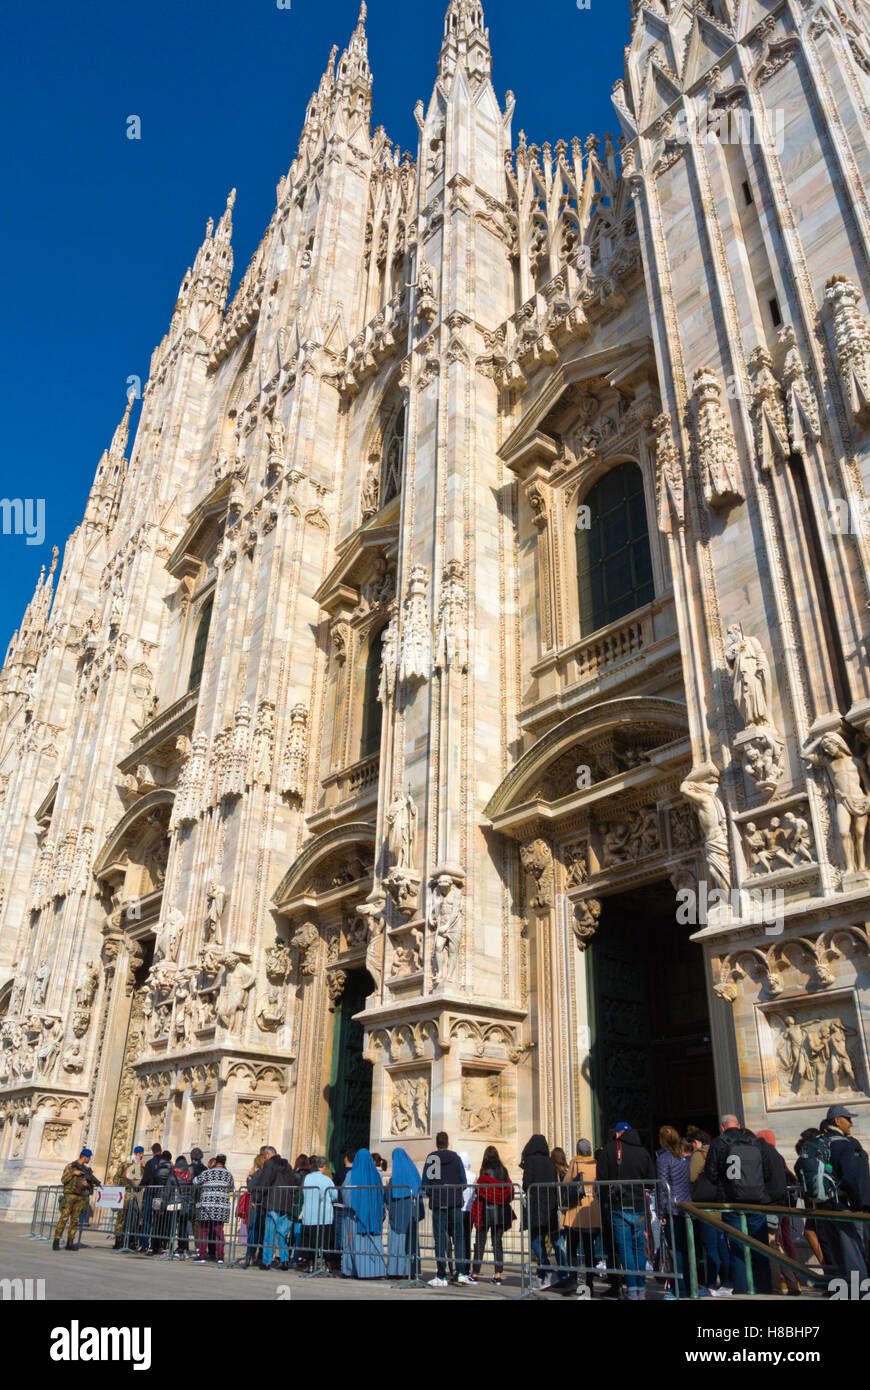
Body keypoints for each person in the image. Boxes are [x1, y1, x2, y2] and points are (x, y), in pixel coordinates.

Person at [701, 1114, 772, 1294]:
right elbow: (765, 1170)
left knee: (738, 1249)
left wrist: (724, 1184)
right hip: (756, 1201)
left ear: (723, 1127)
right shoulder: (753, 1141)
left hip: (731, 1202)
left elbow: (710, 1172)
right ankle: (765, 1288)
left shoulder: (719, 1143)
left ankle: (742, 1290)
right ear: (739, 1125)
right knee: (761, 1247)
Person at [597, 1121, 656, 1300]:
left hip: (618, 1206)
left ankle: (632, 1290)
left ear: (617, 1134)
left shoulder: (609, 1149)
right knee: (638, 1248)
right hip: (638, 1206)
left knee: (625, 1249)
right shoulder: (643, 1151)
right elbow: (651, 1180)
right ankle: (641, 1290)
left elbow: (602, 1178)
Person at [817, 1104, 870, 1284]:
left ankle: (842, 1292)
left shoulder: (819, 1142)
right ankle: (860, 1293)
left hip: (825, 1205)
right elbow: (850, 1178)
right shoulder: (844, 1145)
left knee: (837, 1254)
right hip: (844, 1205)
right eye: (848, 1119)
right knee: (853, 1254)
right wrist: (859, 1205)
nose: (851, 1123)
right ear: (837, 1121)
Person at [421, 1132, 473, 1287]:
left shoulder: (433, 1158)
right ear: (448, 1143)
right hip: (455, 1203)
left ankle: (441, 1275)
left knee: (440, 1239)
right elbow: (463, 1182)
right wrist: (455, 1193)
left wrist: (434, 1194)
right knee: (459, 1237)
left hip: (438, 1203)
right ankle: (462, 1273)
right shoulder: (456, 1158)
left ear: (436, 1143)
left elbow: (426, 1183)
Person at [521, 1133, 568, 1290]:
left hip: (536, 1207)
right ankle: (557, 1275)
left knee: (535, 1240)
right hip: (551, 1207)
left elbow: (526, 1184)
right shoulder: (549, 1162)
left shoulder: (530, 1161)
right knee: (555, 1242)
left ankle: (547, 1270)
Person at [689, 1129, 732, 1297]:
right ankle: (728, 1282)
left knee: (711, 1247)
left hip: (706, 1206)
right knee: (723, 1247)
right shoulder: (722, 1152)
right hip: (721, 1204)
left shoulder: (700, 1155)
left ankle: (712, 1283)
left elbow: (691, 1177)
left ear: (696, 1142)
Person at [757, 1129, 800, 1295]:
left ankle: (776, 1285)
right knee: (780, 1244)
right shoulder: (777, 1156)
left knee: (773, 1245)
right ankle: (792, 1281)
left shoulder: (764, 1155)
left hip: (770, 1206)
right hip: (782, 1205)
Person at [656, 1126, 692, 1299]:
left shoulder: (664, 1159)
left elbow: (663, 1187)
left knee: (676, 1251)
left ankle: (680, 1289)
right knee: (685, 1250)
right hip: (685, 1208)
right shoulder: (682, 1159)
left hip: (672, 1209)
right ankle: (689, 1287)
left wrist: (661, 1212)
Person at [559, 1139, 600, 1297]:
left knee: (572, 1246)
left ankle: (572, 1280)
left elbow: (566, 1183)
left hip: (576, 1208)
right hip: (591, 1207)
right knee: (589, 1248)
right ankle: (589, 1284)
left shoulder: (574, 1164)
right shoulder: (596, 1164)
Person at [470, 1145, 513, 1285]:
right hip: (500, 1212)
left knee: (480, 1243)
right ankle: (498, 1275)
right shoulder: (504, 1171)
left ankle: (475, 1273)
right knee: (497, 1243)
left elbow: (481, 1191)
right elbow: (509, 1190)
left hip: (485, 1211)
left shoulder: (484, 1172)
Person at [342, 1148, 386, 1277]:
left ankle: (354, 1270)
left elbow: (346, 1194)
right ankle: (375, 1271)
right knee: (374, 1241)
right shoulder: (376, 1175)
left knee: (355, 1242)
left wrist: (355, 1206)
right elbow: (380, 1195)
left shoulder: (352, 1175)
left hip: (356, 1217)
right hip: (373, 1215)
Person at [385, 1148, 424, 1278]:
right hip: (411, 1217)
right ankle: (412, 1270)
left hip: (397, 1216)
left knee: (397, 1242)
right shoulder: (414, 1176)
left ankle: (395, 1270)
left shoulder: (394, 1180)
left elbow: (387, 1198)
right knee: (410, 1242)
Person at [53, 1148, 99, 1251]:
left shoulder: (87, 1170)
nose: (89, 1159)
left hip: (79, 1197)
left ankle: (70, 1242)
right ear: (85, 1157)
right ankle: (56, 1241)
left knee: (74, 1221)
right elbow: (63, 1180)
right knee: (63, 1219)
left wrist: (87, 1185)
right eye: (89, 1157)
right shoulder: (71, 1166)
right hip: (69, 1196)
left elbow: (90, 1187)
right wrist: (74, 1173)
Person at [259, 1149, 297, 1271]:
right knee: (282, 1234)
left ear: (268, 1155)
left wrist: (257, 1197)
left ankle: (266, 1261)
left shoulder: (269, 1164)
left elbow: (265, 1182)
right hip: (285, 1203)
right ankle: (285, 1260)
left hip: (272, 1202)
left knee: (269, 1234)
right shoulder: (288, 1166)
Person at [299, 1155, 339, 1272]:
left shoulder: (307, 1178)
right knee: (325, 1241)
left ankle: (311, 1264)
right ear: (324, 1166)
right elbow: (334, 1196)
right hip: (324, 1216)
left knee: (310, 1241)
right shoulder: (327, 1179)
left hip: (310, 1214)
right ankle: (327, 1264)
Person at [193, 1154, 234, 1264]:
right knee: (219, 1232)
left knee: (204, 1231)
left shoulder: (208, 1172)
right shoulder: (228, 1175)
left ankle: (202, 1255)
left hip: (207, 1205)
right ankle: (220, 1257)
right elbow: (231, 1188)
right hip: (221, 1206)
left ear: (215, 1162)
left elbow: (195, 1181)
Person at [112, 1145, 144, 1250]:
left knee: (122, 1218)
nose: (142, 1155)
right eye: (140, 1154)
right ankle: (123, 1241)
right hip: (128, 1194)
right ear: (136, 1154)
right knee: (128, 1218)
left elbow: (116, 1178)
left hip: (125, 1193)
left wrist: (118, 1188)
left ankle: (119, 1241)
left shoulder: (125, 1164)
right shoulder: (135, 1165)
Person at [164, 1153, 194, 1258]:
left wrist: (164, 1202)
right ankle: (183, 1247)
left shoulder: (173, 1175)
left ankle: (171, 1247)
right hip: (186, 1204)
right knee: (183, 1227)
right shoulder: (189, 1176)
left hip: (174, 1204)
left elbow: (167, 1190)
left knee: (172, 1226)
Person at [137, 1142, 164, 1253]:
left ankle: (144, 1244)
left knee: (147, 1218)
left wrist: (137, 1189)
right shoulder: (165, 1162)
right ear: (161, 1150)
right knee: (157, 1220)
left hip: (149, 1194)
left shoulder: (149, 1163)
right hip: (159, 1195)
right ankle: (156, 1245)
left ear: (152, 1152)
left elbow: (145, 1179)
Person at [244, 1151, 269, 1268]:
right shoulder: (267, 1174)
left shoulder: (258, 1173)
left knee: (253, 1231)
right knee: (262, 1232)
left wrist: (249, 1178)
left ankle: (250, 1255)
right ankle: (260, 1256)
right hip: (264, 1206)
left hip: (256, 1205)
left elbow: (250, 1188)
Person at [148, 1150, 174, 1256]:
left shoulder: (157, 1168)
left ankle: (153, 1246)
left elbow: (153, 1182)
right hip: (167, 1199)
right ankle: (164, 1246)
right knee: (166, 1223)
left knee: (156, 1222)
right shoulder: (172, 1170)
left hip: (157, 1197)